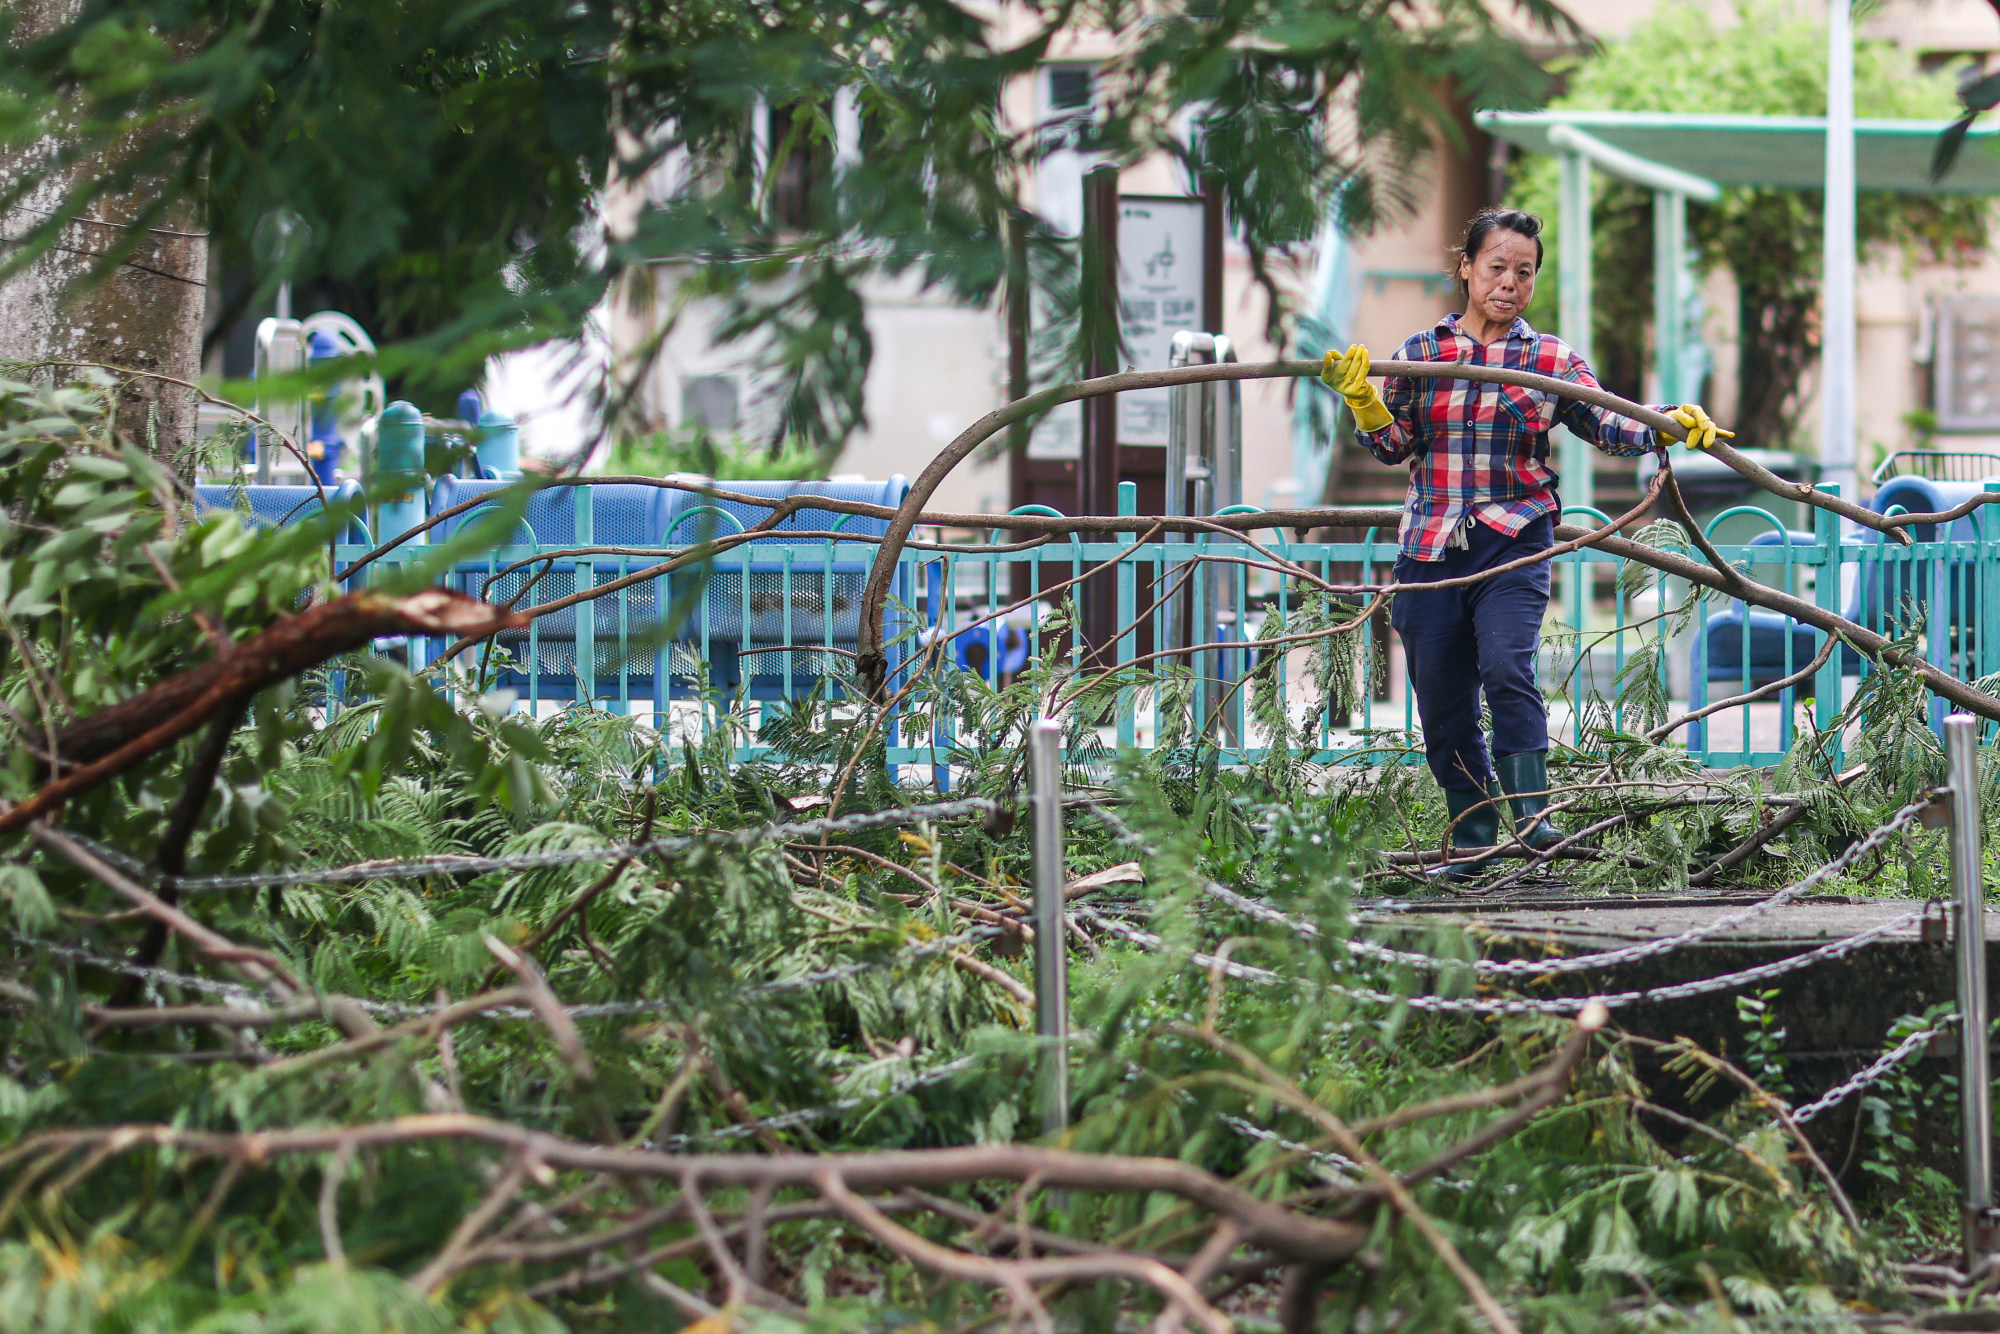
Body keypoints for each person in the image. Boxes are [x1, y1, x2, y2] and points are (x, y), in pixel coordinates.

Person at [1321, 208, 1730, 879]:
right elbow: (1394, 446)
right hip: (1430, 548)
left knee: (1508, 668)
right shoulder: (1422, 354)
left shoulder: (1550, 359)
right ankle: (1477, 833)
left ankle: (1535, 821)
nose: (1509, 283)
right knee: (1441, 698)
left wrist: (1667, 428)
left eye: (1525, 272)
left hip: (1515, 539)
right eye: (1496, 268)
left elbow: (1605, 423)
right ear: (1467, 268)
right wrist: (1365, 401)